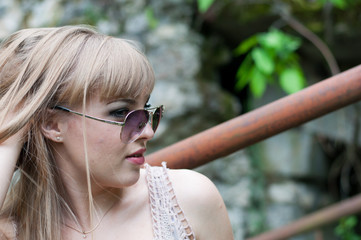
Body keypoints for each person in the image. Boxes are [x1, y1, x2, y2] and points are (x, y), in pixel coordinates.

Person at [0, 25, 234, 240]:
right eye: (121, 112)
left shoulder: (187, 202)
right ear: (52, 124)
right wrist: (9, 139)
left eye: (146, 111)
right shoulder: (12, 231)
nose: (148, 132)